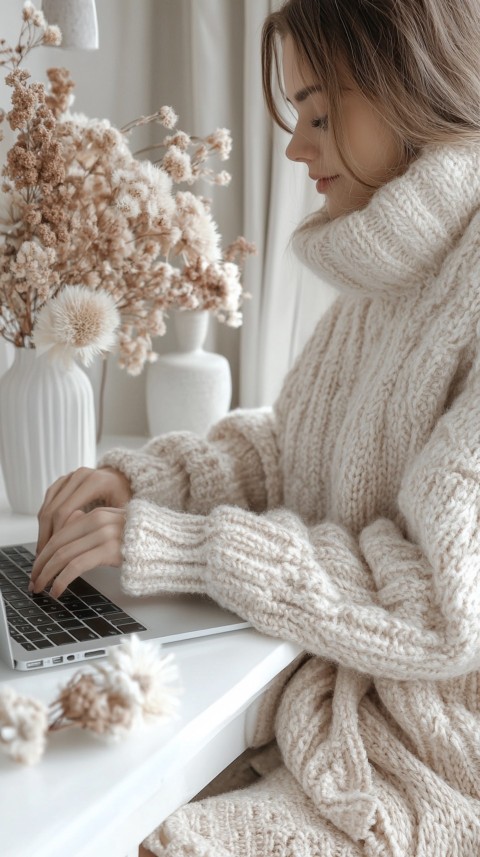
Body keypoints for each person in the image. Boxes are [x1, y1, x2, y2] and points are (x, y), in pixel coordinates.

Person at [31, 0, 480, 854]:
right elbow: (295, 448)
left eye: (317, 112)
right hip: (330, 691)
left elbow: (440, 603)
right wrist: (144, 482)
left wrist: (190, 547)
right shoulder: (389, 264)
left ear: (404, 90)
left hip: (430, 741)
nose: (296, 147)